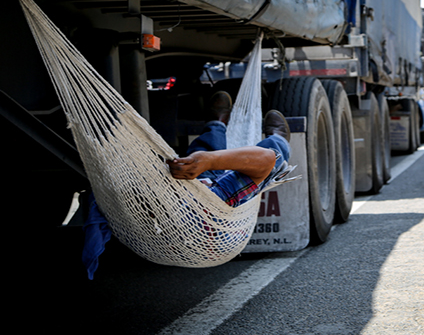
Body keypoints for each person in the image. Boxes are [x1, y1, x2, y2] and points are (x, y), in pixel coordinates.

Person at [82, 91, 292, 278]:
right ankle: (279, 137)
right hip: (214, 214)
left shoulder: (133, 211)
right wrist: (210, 160)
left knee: (197, 155)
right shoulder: (213, 207)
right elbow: (266, 160)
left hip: (197, 197)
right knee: (276, 153)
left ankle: (217, 124)